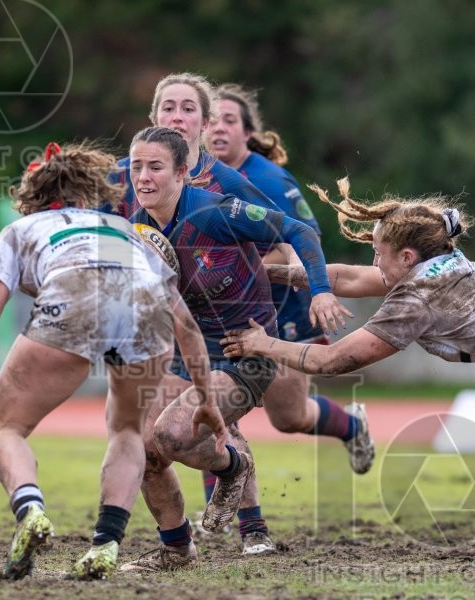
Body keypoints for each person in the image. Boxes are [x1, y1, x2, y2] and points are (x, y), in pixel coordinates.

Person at [224, 177, 475, 570]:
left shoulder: (418, 298)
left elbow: (334, 362)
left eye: (378, 253)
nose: (373, 262)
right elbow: (347, 276)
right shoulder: (443, 261)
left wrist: (262, 344)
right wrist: (264, 274)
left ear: (406, 257)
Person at [0, 142, 227, 581]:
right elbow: (184, 323)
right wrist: (206, 398)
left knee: (4, 428)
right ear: (88, 191)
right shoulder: (125, 229)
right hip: (144, 308)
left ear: (32, 196)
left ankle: (31, 510)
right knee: (128, 430)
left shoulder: (21, 229)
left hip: (71, 298)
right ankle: (105, 545)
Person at [118, 126, 349, 572]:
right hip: (188, 356)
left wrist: (320, 291)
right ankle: (176, 549)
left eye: (155, 167)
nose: (142, 177)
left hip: (246, 354)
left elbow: (299, 231)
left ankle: (231, 467)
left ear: (183, 172)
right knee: (144, 450)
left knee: (173, 435)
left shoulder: (216, 213)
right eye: (136, 167)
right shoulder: (137, 231)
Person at [201, 83, 382, 555]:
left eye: (229, 120)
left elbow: (301, 243)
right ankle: (234, 519)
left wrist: (306, 287)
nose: (218, 127)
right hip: (219, 312)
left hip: (279, 309)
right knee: (209, 405)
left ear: (248, 132)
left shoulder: (270, 179)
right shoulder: (187, 176)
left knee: (289, 417)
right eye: (210, 119)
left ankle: (352, 426)